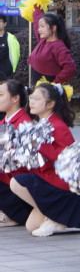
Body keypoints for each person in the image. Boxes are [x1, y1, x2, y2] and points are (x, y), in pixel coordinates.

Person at [10, 83, 80, 237]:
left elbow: (66, 157)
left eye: (37, 99)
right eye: (31, 98)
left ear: (51, 104)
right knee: (31, 226)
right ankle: (54, 215)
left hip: (59, 182)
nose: (31, 102)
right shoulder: (40, 123)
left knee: (17, 182)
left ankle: (56, 217)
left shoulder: (58, 126)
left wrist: (39, 145)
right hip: (45, 177)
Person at [0, 80, 33, 227]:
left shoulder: (24, 125)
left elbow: (22, 165)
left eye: (1, 95)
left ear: (15, 98)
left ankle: (13, 213)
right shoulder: (4, 122)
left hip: (16, 184)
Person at [28, 8, 77, 85]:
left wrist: (55, 83)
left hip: (48, 92)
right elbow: (37, 17)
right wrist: (37, 5)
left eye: (42, 26)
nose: (39, 29)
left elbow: (70, 68)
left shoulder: (58, 47)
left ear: (53, 28)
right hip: (36, 87)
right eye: (39, 27)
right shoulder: (43, 40)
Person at [0, 14, 20, 81]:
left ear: (5, 23)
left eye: (0, 21)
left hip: (6, 75)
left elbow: (16, 55)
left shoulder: (11, 38)